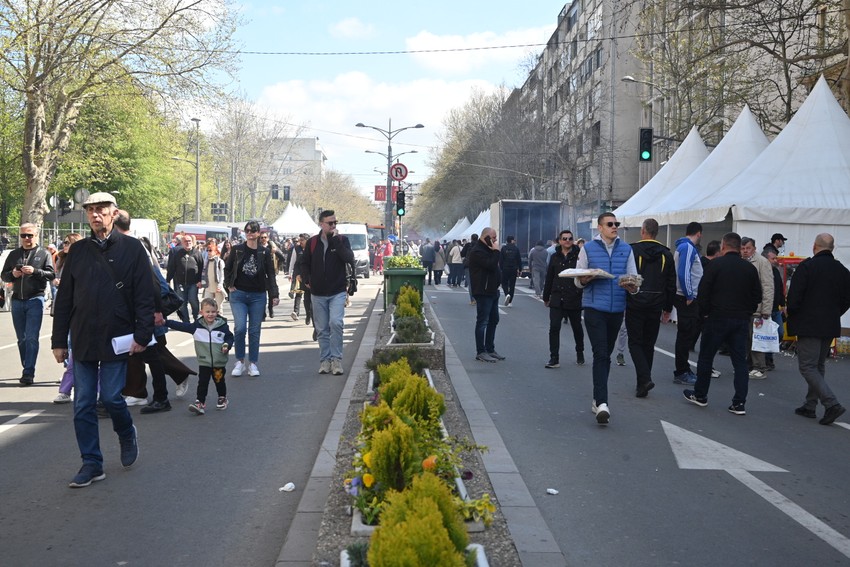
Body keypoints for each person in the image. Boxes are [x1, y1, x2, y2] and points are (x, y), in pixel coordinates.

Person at [51, 192, 154, 488]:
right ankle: (92, 463)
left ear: (114, 213)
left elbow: (145, 295)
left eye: (101, 210)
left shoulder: (132, 249)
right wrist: (59, 341)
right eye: (91, 210)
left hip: (117, 337)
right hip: (82, 338)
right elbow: (65, 298)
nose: (96, 215)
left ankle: (125, 432)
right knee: (82, 403)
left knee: (110, 397)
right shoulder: (79, 251)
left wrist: (143, 334)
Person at [683, 232, 761, 415]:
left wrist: (705, 314)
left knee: (706, 357)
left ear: (723, 246)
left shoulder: (715, 265)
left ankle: (700, 395)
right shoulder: (749, 269)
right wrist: (746, 311)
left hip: (716, 317)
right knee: (739, 362)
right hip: (741, 319)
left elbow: (703, 292)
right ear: (738, 247)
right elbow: (757, 296)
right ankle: (739, 402)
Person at [575, 213, 639, 424]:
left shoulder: (626, 249)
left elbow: (634, 278)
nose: (614, 227)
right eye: (610, 224)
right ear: (600, 228)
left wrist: (632, 287)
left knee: (606, 354)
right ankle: (602, 402)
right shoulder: (588, 249)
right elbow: (577, 281)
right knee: (601, 353)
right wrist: (585, 279)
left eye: (616, 224)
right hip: (594, 307)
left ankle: (597, 399)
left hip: (617, 309)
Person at [786, 233, 850, 425]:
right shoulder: (843, 271)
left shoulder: (807, 267)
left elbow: (795, 297)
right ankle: (810, 405)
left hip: (809, 323)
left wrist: (793, 313)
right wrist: (835, 313)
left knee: (807, 366)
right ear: (832, 248)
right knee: (818, 366)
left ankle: (832, 404)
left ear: (815, 246)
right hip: (829, 324)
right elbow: (847, 299)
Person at [300, 210, 355, 375]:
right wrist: (306, 280)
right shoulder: (312, 242)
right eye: (330, 223)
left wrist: (337, 242)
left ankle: (337, 360)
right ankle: (325, 360)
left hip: (337, 291)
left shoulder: (342, 240)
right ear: (321, 224)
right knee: (322, 329)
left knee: (336, 323)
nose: (333, 226)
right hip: (317, 293)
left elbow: (349, 258)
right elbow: (304, 263)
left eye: (335, 223)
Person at [626, 218, 676, 398]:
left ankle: (644, 379)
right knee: (648, 344)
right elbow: (671, 284)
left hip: (635, 302)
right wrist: (668, 308)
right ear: (656, 233)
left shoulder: (633, 250)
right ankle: (642, 385)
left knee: (634, 342)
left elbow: (627, 277)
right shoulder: (666, 254)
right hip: (656, 303)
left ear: (643, 231)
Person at [1, 223, 56, 386]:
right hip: (17, 300)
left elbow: (51, 274)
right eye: (23, 235)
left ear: (36, 235)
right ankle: (27, 364)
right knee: (22, 339)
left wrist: (35, 271)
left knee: (32, 337)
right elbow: (4, 276)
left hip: (35, 299)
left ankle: (28, 372)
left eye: (30, 235)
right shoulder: (14, 254)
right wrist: (13, 274)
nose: (26, 238)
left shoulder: (43, 253)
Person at [224, 220, 280, 377]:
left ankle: (253, 363)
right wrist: (228, 285)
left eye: (253, 230)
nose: (249, 233)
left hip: (258, 295)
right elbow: (227, 269)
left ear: (258, 233)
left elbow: (271, 275)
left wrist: (274, 295)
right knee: (240, 328)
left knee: (254, 331)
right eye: (247, 230)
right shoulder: (237, 250)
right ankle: (240, 361)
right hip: (239, 294)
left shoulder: (265, 252)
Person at [165, 298, 234, 415]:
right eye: (207, 312)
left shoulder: (222, 326)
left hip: (218, 362)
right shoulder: (197, 327)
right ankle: (200, 402)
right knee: (203, 382)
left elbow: (229, 337)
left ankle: (222, 397)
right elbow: (182, 326)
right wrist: (165, 322)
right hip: (204, 361)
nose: (210, 314)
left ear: (217, 312)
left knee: (219, 381)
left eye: (213, 312)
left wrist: (227, 345)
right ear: (201, 312)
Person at [542, 230, 584, 368]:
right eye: (564, 238)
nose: (567, 240)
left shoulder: (579, 256)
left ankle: (580, 352)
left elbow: (585, 275)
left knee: (577, 327)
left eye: (570, 238)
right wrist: (546, 296)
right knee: (554, 327)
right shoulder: (554, 257)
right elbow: (549, 277)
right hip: (557, 297)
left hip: (574, 296)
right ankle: (554, 358)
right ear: (559, 241)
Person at [52, 233, 84, 403]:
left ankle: (68, 388)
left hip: (81, 315)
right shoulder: (62, 260)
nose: (64, 245)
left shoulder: (85, 262)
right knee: (72, 353)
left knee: (75, 354)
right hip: (66, 311)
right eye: (64, 242)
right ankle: (66, 389)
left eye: (68, 243)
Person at [672, 222, 703, 385]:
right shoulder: (689, 248)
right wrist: (689, 293)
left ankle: (683, 369)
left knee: (686, 334)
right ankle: (681, 371)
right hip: (686, 297)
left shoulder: (682, 247)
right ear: (699, 233)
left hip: (683, 295)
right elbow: (684, 272)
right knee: (685, 335)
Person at [469, 227, 504, 362]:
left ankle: (490, 348)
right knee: (483, 321)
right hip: (483, 291)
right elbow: (490, 265)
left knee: (494, 319)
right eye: (493, 237)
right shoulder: (477, 251)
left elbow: (495, 268)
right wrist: (496, 251)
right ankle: (481, 351)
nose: (495, 240)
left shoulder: (488, 250)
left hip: (492, 290)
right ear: (486, 237)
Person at [741, 237, 774, 379]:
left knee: (756, 338)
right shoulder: (740, 261)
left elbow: (767, 287)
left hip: (757, 308)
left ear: (754, 248)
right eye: (742, 248)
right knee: (745, 339)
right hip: (743, 307)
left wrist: (766, 309)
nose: (745, 251)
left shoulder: (762, 262)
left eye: (748, 248)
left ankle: (759, 367)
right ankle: (748, 365)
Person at [166, 233, 204, 323]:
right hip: (180, 283)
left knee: (193, 301)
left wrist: (200, 280)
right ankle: (186, 322)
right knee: (182, 303)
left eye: (189, 241)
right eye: (186, 241)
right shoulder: (178, 254)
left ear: (192, 242)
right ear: (182, 243)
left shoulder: (197, 253)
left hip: (193, 283)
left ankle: (196, 318)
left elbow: (201, 268)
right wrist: (167, 280)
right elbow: (171, 268)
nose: (188, 243)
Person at [202, 238, 225, 307]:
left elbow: (222, 275)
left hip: (217, 286)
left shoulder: (220, 261)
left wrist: (220, 285)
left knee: (219, 307)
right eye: (207, 250)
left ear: (215, 251)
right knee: (207, 306)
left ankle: (219, 318)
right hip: (208, 286)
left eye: (210, 250)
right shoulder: (206, 262)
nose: (208, 252)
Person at [500, 236, 522, 306]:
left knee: (504, 283)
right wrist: (520, 269)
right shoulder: (516, 249)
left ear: (507, 241)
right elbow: (519, 260)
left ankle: (507, 294)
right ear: (512, 241)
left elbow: (501, 260)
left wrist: (501, 268)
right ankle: (510, 301)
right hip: (513, 269)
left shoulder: (503, 248)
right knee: (512, 285)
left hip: (505, 268)